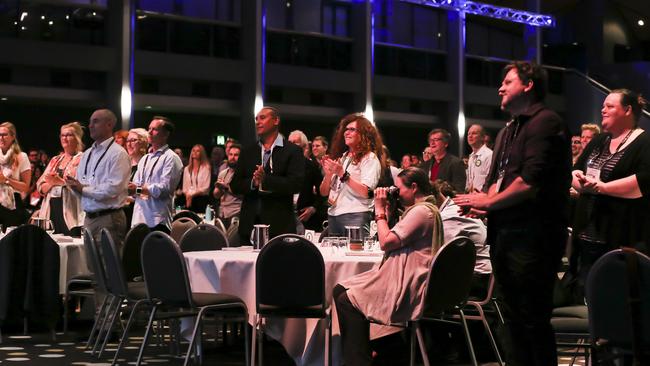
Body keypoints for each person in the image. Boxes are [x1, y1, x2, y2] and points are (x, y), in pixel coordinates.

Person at [455, 61, 571, 366]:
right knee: (511, 319)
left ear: (528, 85)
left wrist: (489, 203)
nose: (500, 87)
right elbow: (498, 182)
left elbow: (528, 183)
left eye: (508, 81)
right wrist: (480, 201)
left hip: (534, 238)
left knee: (532, 319)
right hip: (505, 235)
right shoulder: (508, 130)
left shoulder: (546, 122)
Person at [333, 167, 444, 366]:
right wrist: (389, 211)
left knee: (346, 301)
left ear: (414, 187)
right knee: (339, 289)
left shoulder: (421, 212)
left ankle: (359, 361)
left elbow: (385, 242)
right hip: (410, 275)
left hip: (408, 283)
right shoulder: (426, 209)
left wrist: (379, 211)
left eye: (399, 189)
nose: (397, 194)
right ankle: (382, 349)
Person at [570, 89, 650, 298]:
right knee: (586, 296)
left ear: (627, 110)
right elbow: (576, 169)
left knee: (615, 299)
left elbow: (641, 184)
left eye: (609, 106)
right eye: (603, 106)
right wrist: (580, 179)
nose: (602, 110)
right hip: (586, 234)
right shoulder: (600, 140)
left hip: (620, 237)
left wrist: (602, 187)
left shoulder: (644, 143)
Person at [230, 106, 304, 245]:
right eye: (256, 119)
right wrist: (254, 183)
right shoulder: (248, 152)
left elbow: (296, 184)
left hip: (280, 225)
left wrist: (266, 180)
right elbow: (235, 185)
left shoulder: (292, 151)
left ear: (276, 120)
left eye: (262, 118)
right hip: (249, 225)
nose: (258, 122)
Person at [65, 109, 131, 247]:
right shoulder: (88, 153)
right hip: (88, 218)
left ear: (109, 125)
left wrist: (83, 189)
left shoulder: (118, 154)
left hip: (109, 218)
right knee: (91, 265)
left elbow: (113, 189)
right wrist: (74, 187)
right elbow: (80, 185)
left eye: (95, 121)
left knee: (109, 266)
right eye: (90, 122)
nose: (90, 126)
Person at [319, 113, 383, 236]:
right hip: (333, 215)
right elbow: (324, 192)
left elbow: (367, 192)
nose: (346, 133)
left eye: (352, 129)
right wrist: (328, 175)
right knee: (334, 254)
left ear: (364, 134)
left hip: (356, 214)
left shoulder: (369, 158)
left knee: (355, 254)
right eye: (346, 129)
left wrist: (342, 174)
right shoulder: (343, 158)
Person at [129, 116, 183, 233]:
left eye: (154, 129)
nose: (149, 132)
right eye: (149, 128)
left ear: (165, 134)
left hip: (157, 221)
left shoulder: (171, 158)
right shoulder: (145, 159)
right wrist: (132, 189)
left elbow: (164, 190)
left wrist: (138, 189)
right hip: (138, 219)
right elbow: (137, 188)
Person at [36, 122, 85, 235]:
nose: (65, 138)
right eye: (62, 135)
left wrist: (60, 182)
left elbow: (83, 186)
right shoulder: (55, 159)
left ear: (77, 137)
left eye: (69, 135)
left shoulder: (82, 158)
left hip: (71, 210)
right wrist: (53, 183)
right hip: (52, 208)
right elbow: (40, 186)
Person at [288, 130, 325, 232]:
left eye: (295, 142)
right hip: (286, 215)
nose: (291, 145)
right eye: (289, 142)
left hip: (305, 218)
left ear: (304, 146)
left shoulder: (311, 166)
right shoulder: (282, 165)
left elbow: (322, 193)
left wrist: (313, 208)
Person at [0, 122, 32, 227]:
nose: (1, 138)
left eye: (4, 135)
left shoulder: (21, 157)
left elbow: (25, 187)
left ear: (13, 136)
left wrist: (6, 180)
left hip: (12, 205)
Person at [421, 128, 466, 192]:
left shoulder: (456, 163)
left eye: (436, 140)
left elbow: (459, 190)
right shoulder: (426, 164)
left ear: (445, 144)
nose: (432, 143)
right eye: (431, 140)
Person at [213, 143, 243, 230]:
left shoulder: (243, 173)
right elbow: (216, 195)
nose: (232, 157)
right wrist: (218, 188)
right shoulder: (223, 172)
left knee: (233, 242)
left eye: (236, 155)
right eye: (231, 154)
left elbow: (243, 194)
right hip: (222, 212)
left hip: (236, 212)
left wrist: (226, 188)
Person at [181, 144, 211, 212]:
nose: (194, 152)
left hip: (201, 199)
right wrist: (188, 196)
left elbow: (206, 187)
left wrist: (193, 194)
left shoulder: (206, 168)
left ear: (201, 153)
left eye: (198, 151)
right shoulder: (186, 169)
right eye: (193, 150)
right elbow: (184, 187)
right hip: (188, 198)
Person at [466, 124, 493, 193]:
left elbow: (491, 180)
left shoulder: (489, 155)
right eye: (469, 134)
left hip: (483, 197)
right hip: (471, 198)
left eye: (474, 133)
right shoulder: (471, 157)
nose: (470, 136)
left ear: (482, 137)